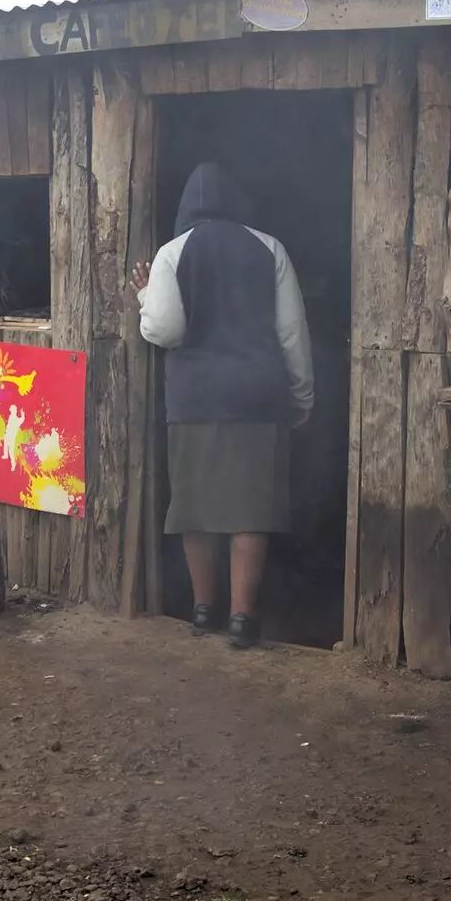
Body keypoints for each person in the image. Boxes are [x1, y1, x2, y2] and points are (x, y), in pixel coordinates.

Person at [134, 162, 313, 649]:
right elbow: (291, 331)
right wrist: (302, 394)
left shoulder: (172, 252)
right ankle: (241, 619)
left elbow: (165, 330)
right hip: (257, 395)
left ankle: (203, 608)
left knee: (197, 508)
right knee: (249, 509)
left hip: (196, 399)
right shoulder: (269, 247)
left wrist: (146, 294)